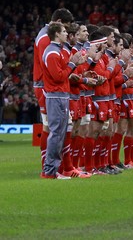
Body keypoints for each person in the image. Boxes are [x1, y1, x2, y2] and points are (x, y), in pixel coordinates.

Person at [40, 22, 86, 179]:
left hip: (61, 96)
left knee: (60, 133)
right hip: (56, 96)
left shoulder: (57, 51)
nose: (67, 33)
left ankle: (54, 169)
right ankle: (49, 171)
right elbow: (58, 77)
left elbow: (62, 74)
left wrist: (73, 64)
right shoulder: (52, 53)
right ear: (57, 34)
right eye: (64, 31)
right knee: (57, 133)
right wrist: (72, 64)